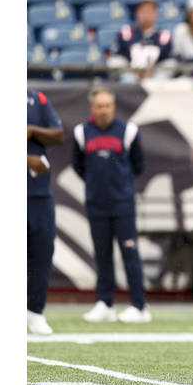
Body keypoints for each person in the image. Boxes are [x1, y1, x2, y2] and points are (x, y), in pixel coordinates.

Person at [73, 87, 150, 323]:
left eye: (108, 105)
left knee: (130, 254)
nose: (104, 110)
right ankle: (104, 303)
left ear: (113, 106)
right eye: (100, 106)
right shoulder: (81, 132)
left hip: (123, 206)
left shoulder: (129, 130)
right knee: (102, 256)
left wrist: (119, 188)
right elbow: (78, 166)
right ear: (92, 108)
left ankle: (139, 306)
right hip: (97, 206)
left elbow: (138, 165)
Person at [27, 89, 65, 336]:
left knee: (43, 251)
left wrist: (31, 130)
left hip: (39, 192)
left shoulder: (37, 98)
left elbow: (59, 135)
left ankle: (34, 310)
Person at [107, 0, 175, 83]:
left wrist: (153, 71)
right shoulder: (126, 32)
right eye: (143, 11)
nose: (146, 15)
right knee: (117, 66)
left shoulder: (164, 36)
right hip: (129, 73)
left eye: (149, 11)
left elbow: (169, 61)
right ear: (137, 13)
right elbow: (116, 57)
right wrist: (132, 70)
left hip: (155, 75)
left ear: (156, 13)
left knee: (167, 69)